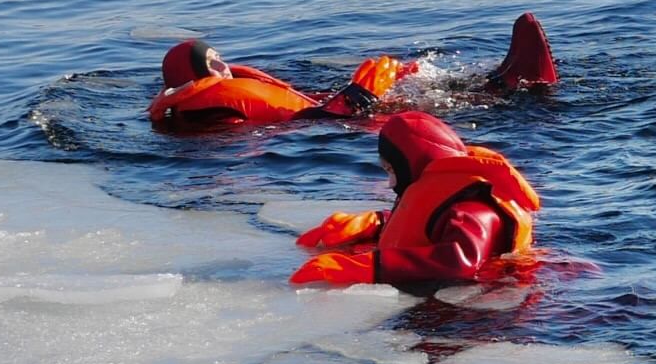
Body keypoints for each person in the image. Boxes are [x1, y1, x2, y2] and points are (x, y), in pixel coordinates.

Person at [289, 109, 543, 291]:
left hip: (489, 313)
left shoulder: (472, 207)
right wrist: (377, 222)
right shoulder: (444, 196)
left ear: (413, 164)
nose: (390, 184)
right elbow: (428, 231)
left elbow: (459, 262)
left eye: (391, 171)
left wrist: (367, 267)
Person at [147, 39, 417, 134]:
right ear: (192, 75)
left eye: (220, 59)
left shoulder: (222, 95)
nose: (224, 68)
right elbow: (310, 123)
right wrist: (358, 97)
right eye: (211, 64)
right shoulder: (215, 112)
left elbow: (302, 107)